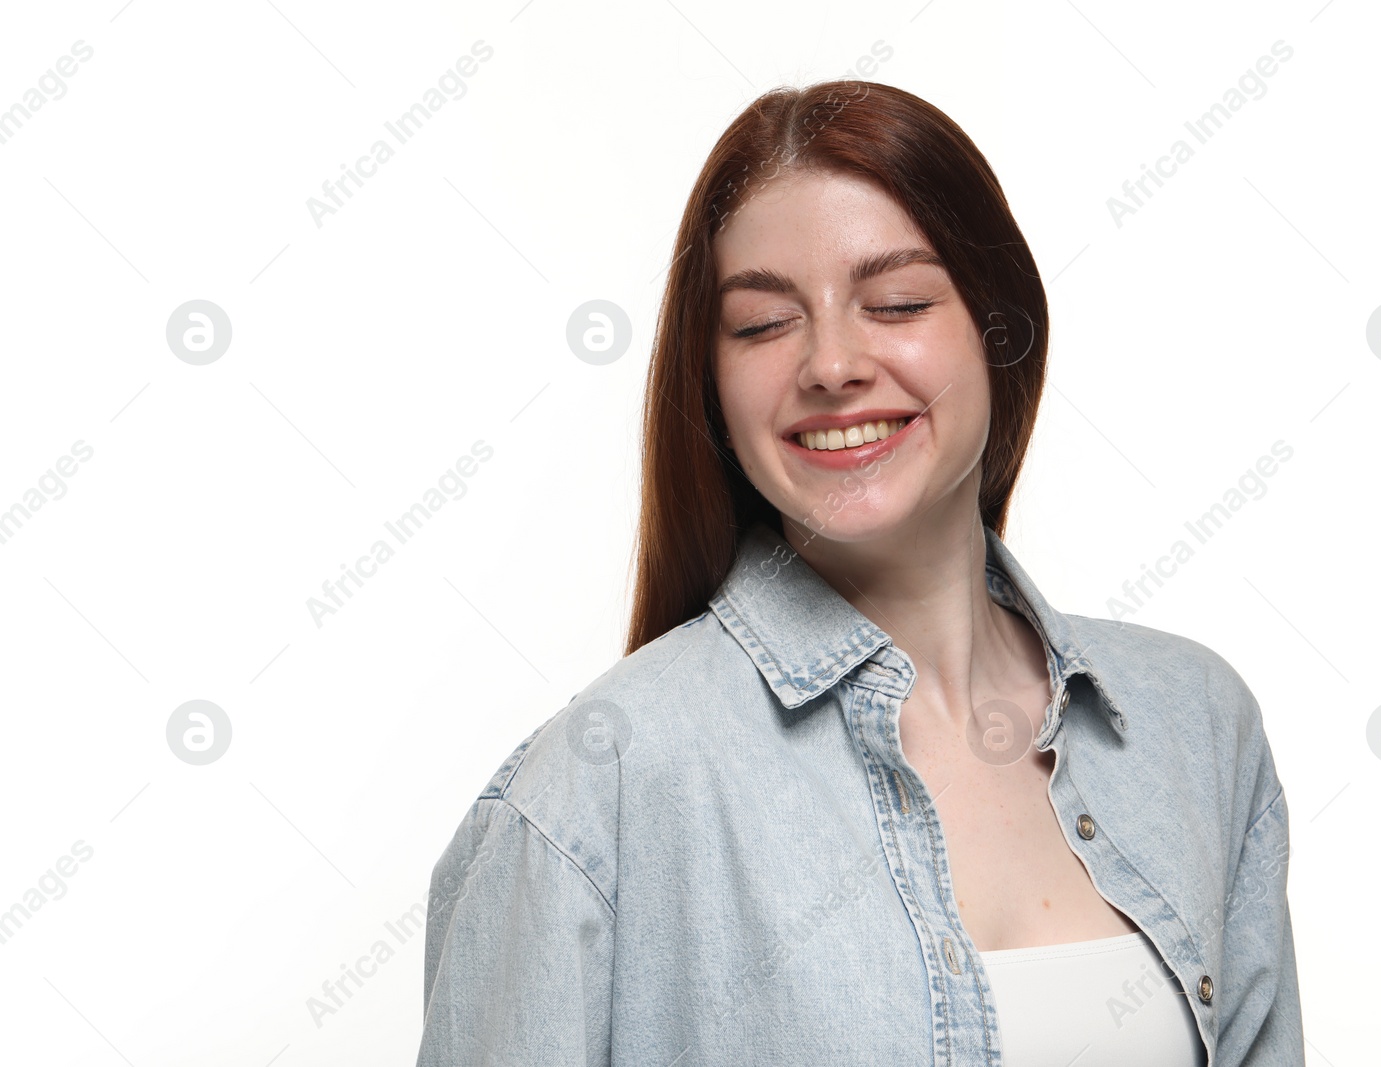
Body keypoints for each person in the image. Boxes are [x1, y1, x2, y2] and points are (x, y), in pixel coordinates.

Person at [416, 79, 1303, 1067]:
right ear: (709, 378)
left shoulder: (1194, 725)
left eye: (896, 302)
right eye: (761, 323)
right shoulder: (599, 784)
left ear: (999, 329)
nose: (831, 363)